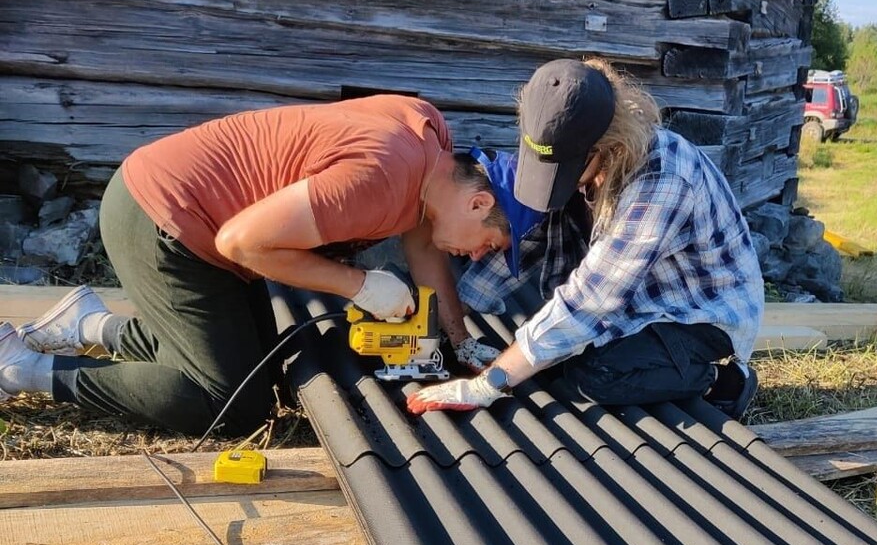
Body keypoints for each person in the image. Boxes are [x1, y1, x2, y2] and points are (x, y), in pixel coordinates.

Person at [0, 95, 509, 433]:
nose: (482, 255)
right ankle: (27, 370)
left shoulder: (433, 145)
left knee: (257, 359)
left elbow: (423, 248)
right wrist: (359, 285)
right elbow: (241, 242)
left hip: (198, 213)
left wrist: (459, 341)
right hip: (163, 218)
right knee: (229, 402)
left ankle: (89, 321)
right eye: (492, 242)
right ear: (479, 204)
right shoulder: (379, 176)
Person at [407, 57, 764, 420]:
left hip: (696, 314)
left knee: (595, 376)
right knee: (548, 361)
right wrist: (438, 323)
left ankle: (723, 379)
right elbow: (527, 239)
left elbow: (592, 300)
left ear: (606, 146)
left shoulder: (662, 180)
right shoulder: (564, 147)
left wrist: (487, 384)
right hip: (637, 306)